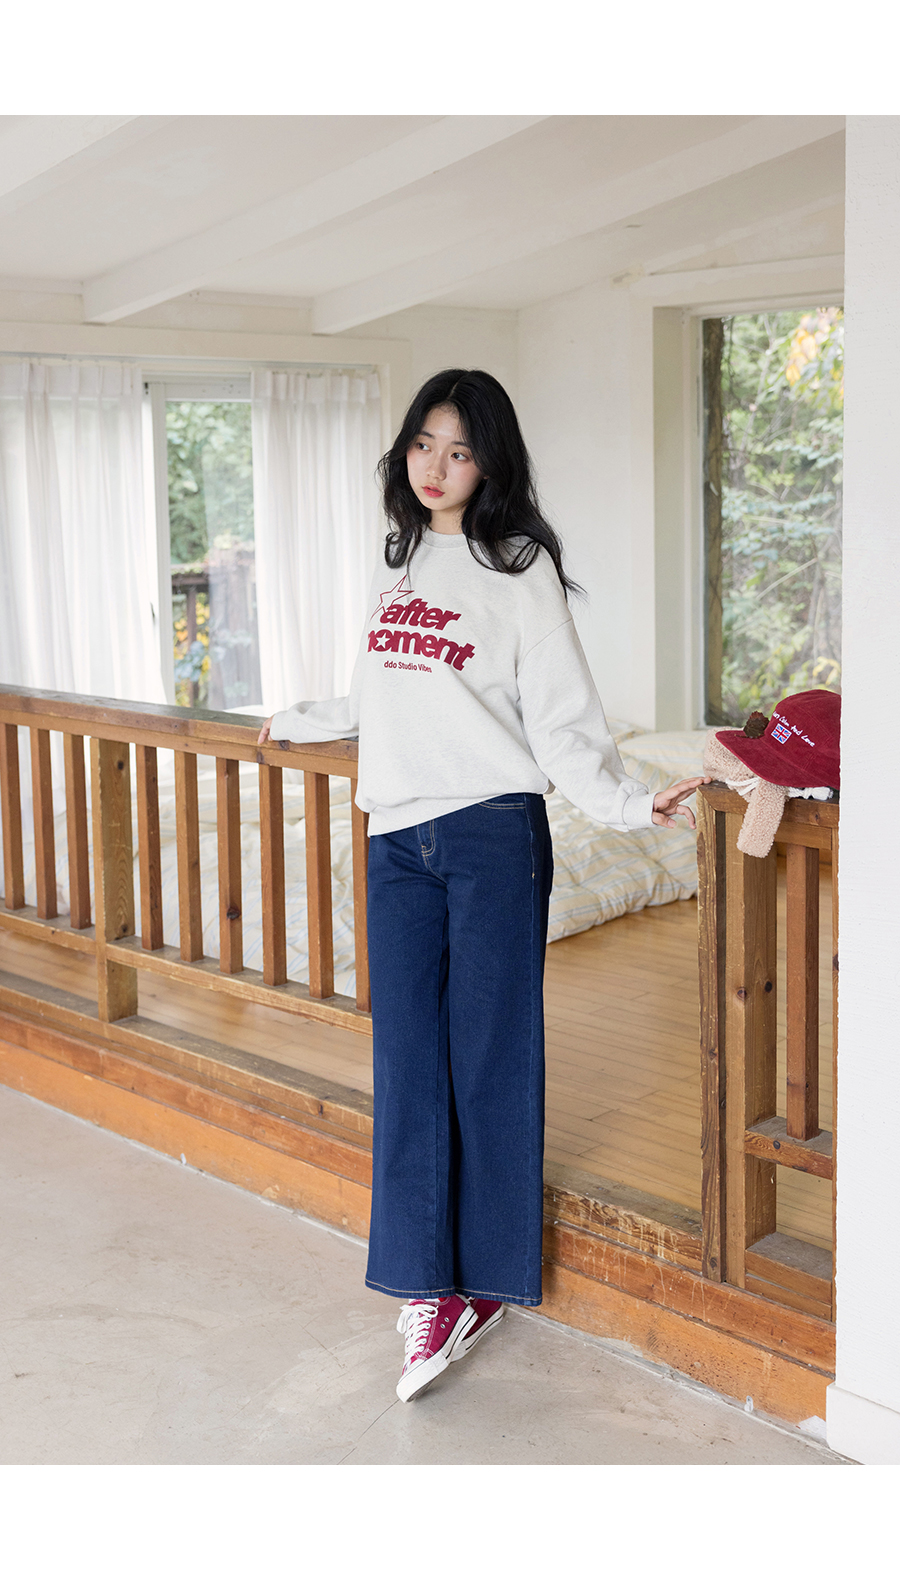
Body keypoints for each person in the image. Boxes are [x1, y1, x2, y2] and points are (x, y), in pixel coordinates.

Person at [258, 368, 708, 1403]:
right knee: (408, 1061)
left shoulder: (520, 570)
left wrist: (631, 802)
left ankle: (488, 1281)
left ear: (489, 464)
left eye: (459, 450)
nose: (436, 466)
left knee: (491, 1056)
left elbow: (563, 720)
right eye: (424, 443)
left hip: (492, 833)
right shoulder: (398, 557)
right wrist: (303, 718)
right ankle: (427, 1283)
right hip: (397, 838)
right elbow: (380, 693)